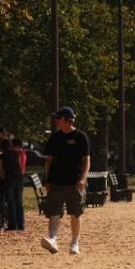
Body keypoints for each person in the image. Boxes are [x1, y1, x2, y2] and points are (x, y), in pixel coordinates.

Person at [40, 107, 90, 256]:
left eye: (59, 118)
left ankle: (75, 243)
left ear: (68, 120)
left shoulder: (81, 137)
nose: (56, 120)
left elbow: (86, 160)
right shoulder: (54, 138)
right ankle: (53, 239)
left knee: (75, 213)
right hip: (56, 181)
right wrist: (47, 178)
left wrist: (82, 179)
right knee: (54, 211)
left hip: (74, 182)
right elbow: (49, 160)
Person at [0, 139, 25, 230]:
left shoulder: (2, 156)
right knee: (18, 202)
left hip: (9, 179)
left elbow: (0, 171)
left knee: (11, 202)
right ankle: (21, 224)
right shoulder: (16, 154)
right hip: (19, 178)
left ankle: (13, 225)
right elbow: (18, 165)